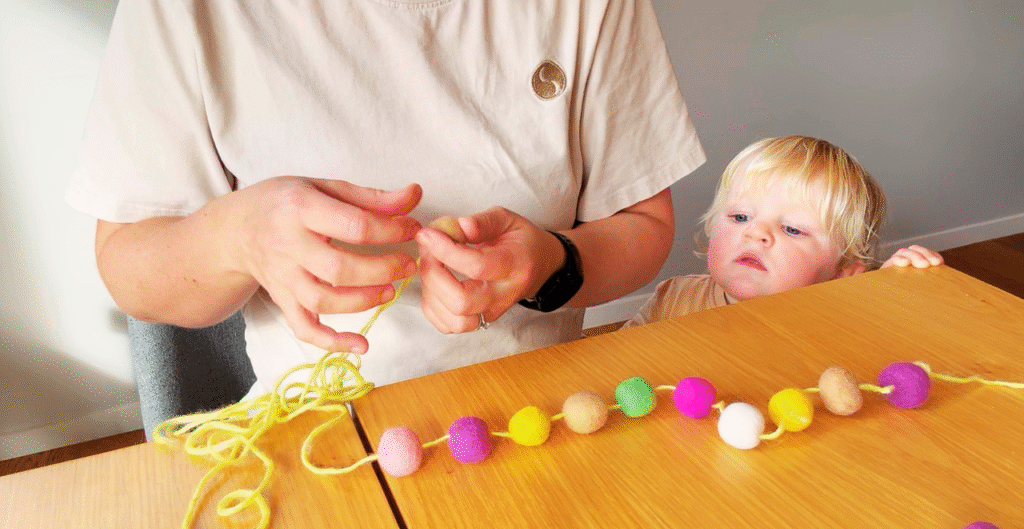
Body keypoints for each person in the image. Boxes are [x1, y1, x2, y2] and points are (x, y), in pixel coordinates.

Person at [66, 0, 706, 398]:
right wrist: (237, 239)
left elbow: (643, 222)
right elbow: (127, 260)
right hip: (323, 430)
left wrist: (551, 264)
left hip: (545, 415)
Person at [623, 135, 943, 328]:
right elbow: (615, 363)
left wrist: (890, 296)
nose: (756, 233)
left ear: (844, 272)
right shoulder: (672, 300)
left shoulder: (846, 322)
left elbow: (884, 359)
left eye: (791, 228)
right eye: (740, 216)